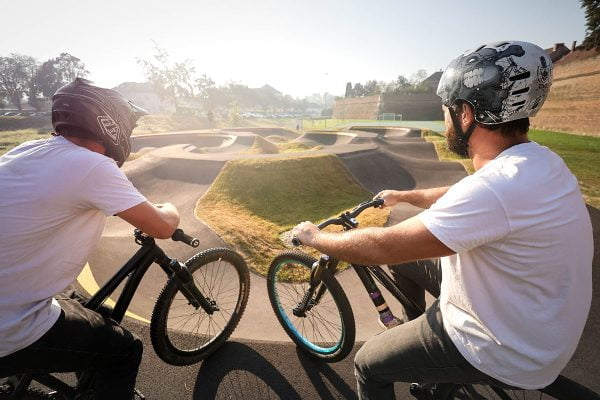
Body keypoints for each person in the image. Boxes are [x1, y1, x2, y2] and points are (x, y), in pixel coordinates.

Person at [291, 41, 593, 399]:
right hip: (541, 327)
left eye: (447, 109)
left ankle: (431, 354)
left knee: (368, 365)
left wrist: (314, 237)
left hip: (504, 350)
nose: (444, 118)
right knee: (409, 266)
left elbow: (381, 247)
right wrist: (403, 197)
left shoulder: (494, 190)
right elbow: (464, 193)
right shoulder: (538, 163)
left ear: (466, 113)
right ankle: (422, 347)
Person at [0, 78, 180, 399]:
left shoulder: (29, 148)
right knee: (124, 350)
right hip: (8, 328)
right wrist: (170, 208)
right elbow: (163, 227)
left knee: (84, 306)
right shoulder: (93, 166)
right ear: (112, 125)